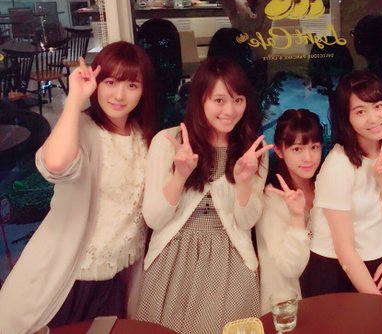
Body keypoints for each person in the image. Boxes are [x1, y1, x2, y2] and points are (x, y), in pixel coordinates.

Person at [0, 42, 156, 334]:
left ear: (143, 90)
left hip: (116, 277)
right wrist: (74, 100)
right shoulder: (83, 127)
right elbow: (56, 164)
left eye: (132, 85)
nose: (119, 95)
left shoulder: (141, 135)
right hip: (71, 275)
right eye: (110, 83)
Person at [135, 57, 271, 333]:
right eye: (219, 100)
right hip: (173, 259)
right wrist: (180, 175)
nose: (230, 110)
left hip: (231, 259)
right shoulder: (168, 142)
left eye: (238, 100)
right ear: (200, 100)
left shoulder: (251, 151)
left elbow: (246, 223)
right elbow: (154, 219)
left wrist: (244, 182)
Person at [300, 70, 382, 299]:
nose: (373, 118)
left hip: (377, 261)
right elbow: (345, 252)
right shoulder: (339, 165)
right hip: (335, 269)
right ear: (347, 119)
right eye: (360, 111)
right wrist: (378, 303)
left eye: (378, 106)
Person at [256, 109, 323, 313]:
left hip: (327, 292)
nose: (308, 158)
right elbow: (289, 268)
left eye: (314, 147)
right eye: (297, 149)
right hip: (290, 307)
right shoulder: (271, 198)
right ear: (279, 151)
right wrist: (296, 216)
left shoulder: (324, 186)